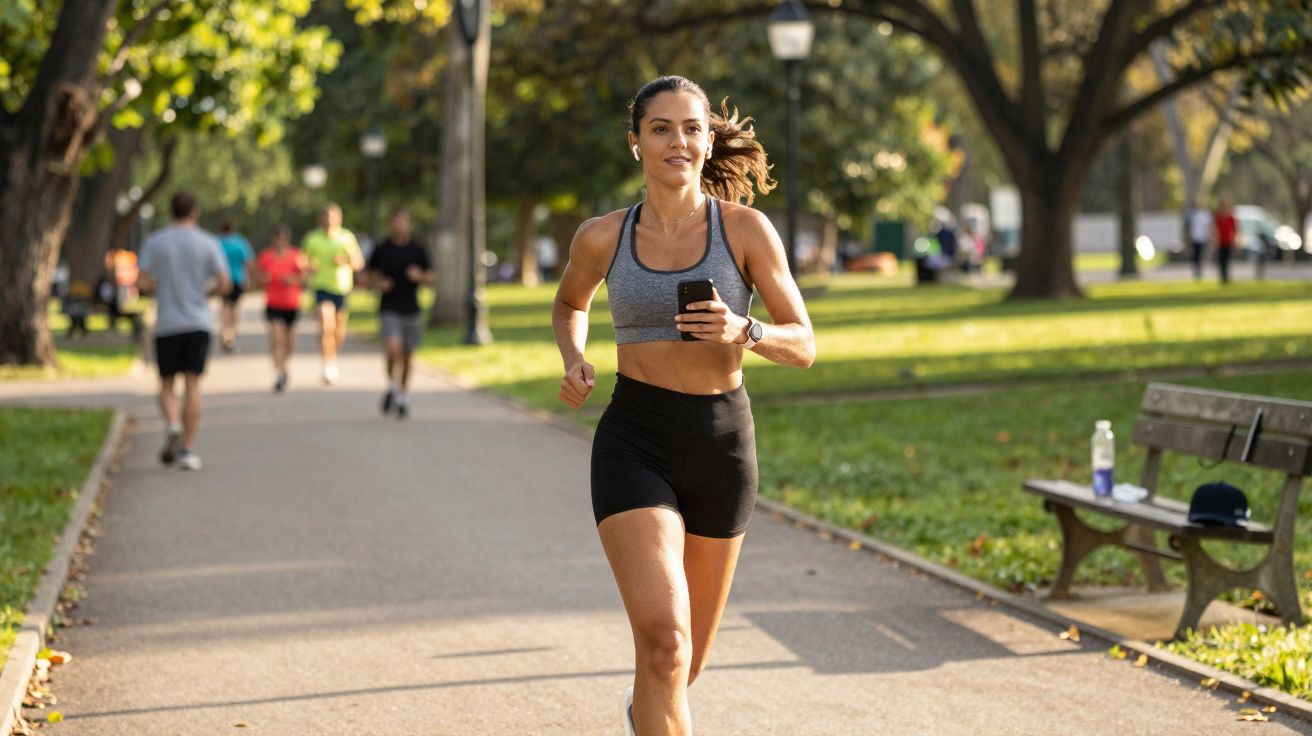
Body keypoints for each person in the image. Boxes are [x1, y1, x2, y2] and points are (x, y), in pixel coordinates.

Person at [551, 76, 815, 735]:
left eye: (692, 127)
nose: (679, 141)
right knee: (665, 641)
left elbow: (804, 343)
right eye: (661, 128)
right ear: (635, 142)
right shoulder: (601, 236)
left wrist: (744, 330)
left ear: (707, 139)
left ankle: (645, 714)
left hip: (722, 444)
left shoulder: (746, 231)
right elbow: (569, 303)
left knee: (684, 662)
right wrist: (574, 357)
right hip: (634, 439)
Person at [137, 191, 231, 471]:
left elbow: (141, 281)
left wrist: (161, 290)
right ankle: (188, 450)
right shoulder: (208, 243)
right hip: (198, 322)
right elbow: (225, 284)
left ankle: (173, 424)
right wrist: (205, 293)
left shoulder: (156, 241)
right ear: (195, 211)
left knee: (166, 384)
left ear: (170, 211)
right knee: (193, 385)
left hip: (167, 322)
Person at [366, 209, 434, 419]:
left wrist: (419, 276)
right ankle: (391, 385)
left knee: (407, 356)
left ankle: (402, 394)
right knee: (392, 349)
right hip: (389, 307)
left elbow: (432, 276)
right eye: (395, 223)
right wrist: (378, 284)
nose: (399, 227)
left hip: (411, 308)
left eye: (403, 223)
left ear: (408, 225)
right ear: (390, 225)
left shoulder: (417, 249)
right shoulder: (382, 249)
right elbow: (367, 275)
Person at [303, 203, 364, 384]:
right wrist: (308, 266)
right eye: (326, 217)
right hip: (321, 287)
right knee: (326, 326)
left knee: (339, 331)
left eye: (332, 217)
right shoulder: (312, 238)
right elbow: (302, 260)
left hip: (342, 288)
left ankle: (333, 356)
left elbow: (358, 263)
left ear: (339, 219)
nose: (329, 221)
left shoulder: (346, 237)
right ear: (320, 220)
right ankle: (328, 364)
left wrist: (345, 260)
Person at [254, 225, 307, 393]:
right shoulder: (266, 257)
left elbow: (304, 277)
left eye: (283, 238)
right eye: (277, 238)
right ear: (274, 239)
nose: (280, 242)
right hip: (273, 303)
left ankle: (285, 366)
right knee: (277, 339)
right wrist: (263, 279)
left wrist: (292, 279)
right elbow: (256, 277)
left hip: (292, 303)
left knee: (289, 342)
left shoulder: (296, 256)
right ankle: (278, 372)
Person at [216, 222, 255, 351]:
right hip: (238, 279)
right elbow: (248, 261)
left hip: (223, 280)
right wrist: (249, 278)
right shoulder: (240, 242)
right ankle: (231, 332)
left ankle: (225, 332)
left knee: (225, 306)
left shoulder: (218, 242)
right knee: (235, 307)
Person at [1213, 196, 1237, 284]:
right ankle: (1222, 276)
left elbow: (1235, 230)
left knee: (1227, 260)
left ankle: (1226, 277)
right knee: (1221, 260)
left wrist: (1235, 240)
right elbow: (1214, 228)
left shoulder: (1231, 217)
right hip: (1220, 241)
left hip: (1228, 241)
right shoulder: (1218, 216)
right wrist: (1214, 239)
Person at [1187, 199, 1211, 280]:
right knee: (1195, 256)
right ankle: (1196, 271)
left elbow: (1207, 227)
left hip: (1202, 238)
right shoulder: (1191, 215)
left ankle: (1199, 270)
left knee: (1201, 255)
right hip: (1194, 238)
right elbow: (1189, 228)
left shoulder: (1204, 215)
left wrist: (1209, 237)